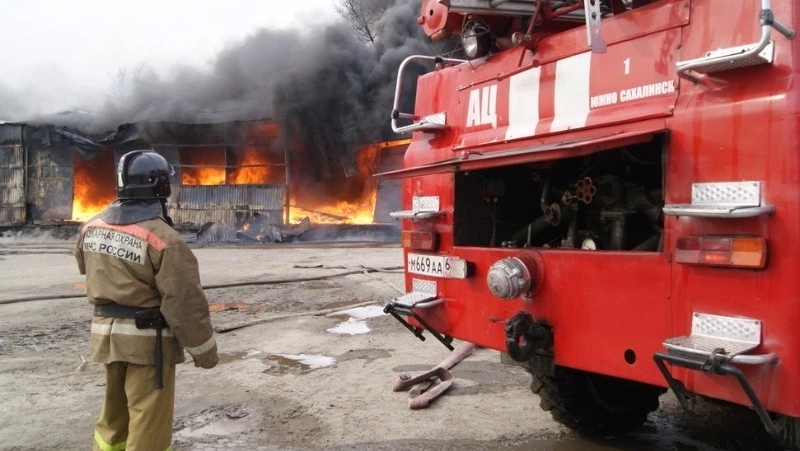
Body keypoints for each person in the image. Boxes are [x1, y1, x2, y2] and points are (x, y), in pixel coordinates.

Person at [74, 150, 218, 451]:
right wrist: (204, 352)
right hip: (146, 345)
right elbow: (184, 303)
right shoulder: (164, 239)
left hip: (105, 340)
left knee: (113, 420)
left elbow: (86, 267)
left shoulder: (91, 227)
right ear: (161, 186)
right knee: (148, 424)